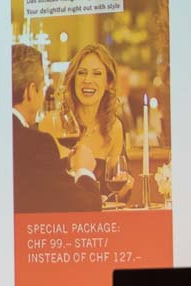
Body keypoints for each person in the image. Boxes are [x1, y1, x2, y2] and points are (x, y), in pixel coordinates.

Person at [13, 44, 101, 213]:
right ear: (31, 91)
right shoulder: (38, 144)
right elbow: (85, 210)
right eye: (42, 88)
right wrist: (84, 170)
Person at [42, 42, 130, 194]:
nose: (88, 80)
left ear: (109, 83)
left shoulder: (114, 128)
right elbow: (40, 186)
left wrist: (124, 189)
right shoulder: (52, 123)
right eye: (82, 73)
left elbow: (113, 193)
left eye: (97, 73)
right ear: (73, 79)